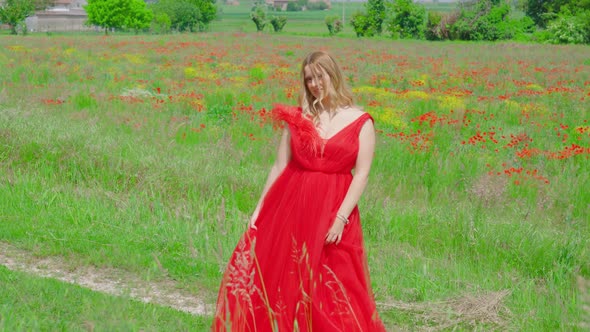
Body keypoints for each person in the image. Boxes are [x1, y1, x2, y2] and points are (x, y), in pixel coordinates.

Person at [212, 51, 386, 331]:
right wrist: (260, 208)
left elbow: (362, 174)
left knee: (333, 281)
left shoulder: (361, 121)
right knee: (285, 277)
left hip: (335, 209)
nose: (315, 84)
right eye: (309, 79)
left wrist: (341, 217)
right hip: (292, 204)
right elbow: (280, 164)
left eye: (320, 76)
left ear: (333, 74)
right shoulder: (298, 117)